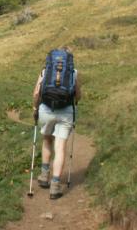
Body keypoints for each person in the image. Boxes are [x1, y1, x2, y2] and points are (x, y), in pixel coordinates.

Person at [32, 48, 81, 199]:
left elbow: (36, 93)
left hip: (46, 110)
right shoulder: (73, 72)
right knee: (60, 147)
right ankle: (55, 186)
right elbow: (78, 95)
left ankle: (44, 176)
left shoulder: (45, 71)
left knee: (47, 140)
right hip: (66, 113)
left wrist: (35, 108)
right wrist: (75, 103)